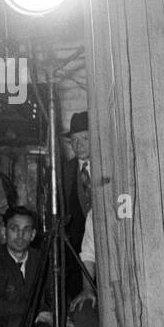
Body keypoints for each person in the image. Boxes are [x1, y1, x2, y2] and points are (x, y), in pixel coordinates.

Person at [62, 112, 91, 297]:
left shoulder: (109, 166)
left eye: (85, 138)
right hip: (76, 255)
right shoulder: (64, 171)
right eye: (74, 140)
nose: (78, 145)